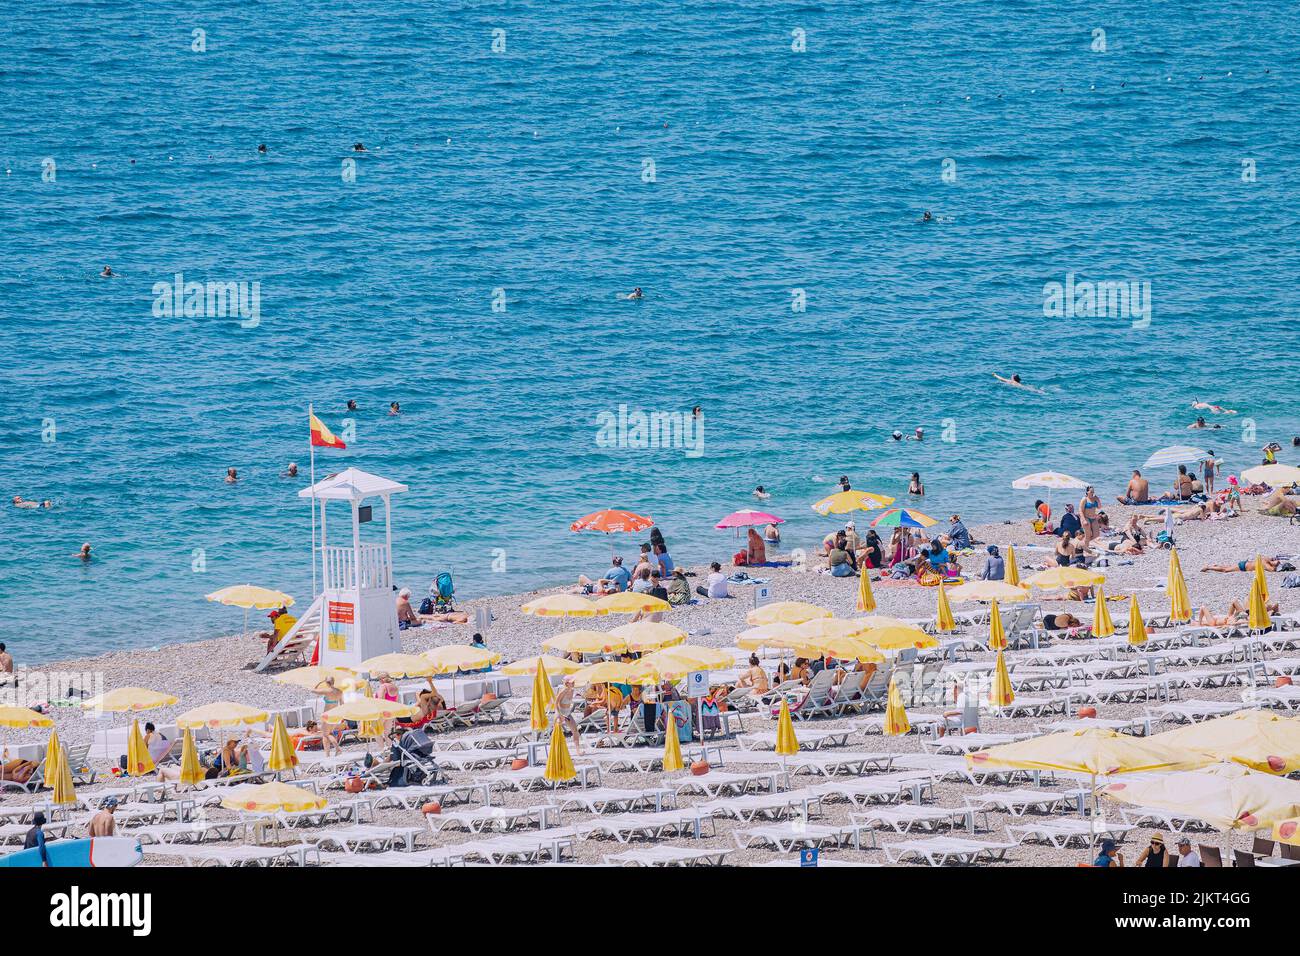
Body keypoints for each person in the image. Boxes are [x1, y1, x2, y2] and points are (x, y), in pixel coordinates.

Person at [555, 676, 582, 753]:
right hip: (560, 713)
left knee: (575, 731)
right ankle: (556, 750)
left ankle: (578, 750)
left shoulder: (572, 690)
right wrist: (559, 715)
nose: (574, 683)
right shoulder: (563, 691)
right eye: (572, 682)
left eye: (574, 682)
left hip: (567, 713)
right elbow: (556, 703)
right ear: (567, 683)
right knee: (557, 732)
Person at [1201, 556, 1282, 573]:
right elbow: (1271, 570)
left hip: (1244, 563)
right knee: (1225, 570)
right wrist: (1275, 568)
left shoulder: (1266, 559)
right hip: (1243, 567)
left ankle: (1215, 566)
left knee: (1227, 567)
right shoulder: (1265, 562)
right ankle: (1208, 567)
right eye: (1276, 563)